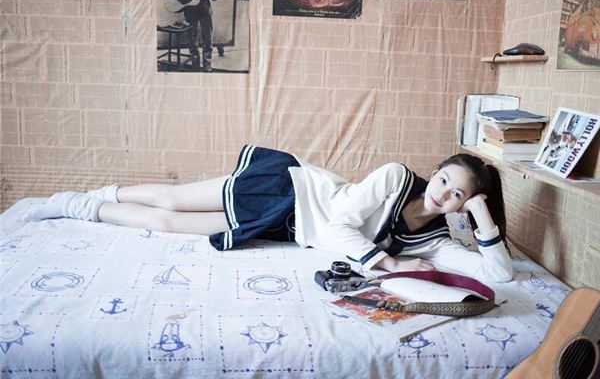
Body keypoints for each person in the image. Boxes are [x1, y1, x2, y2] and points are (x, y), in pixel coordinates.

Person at [23, 145, 513, 283]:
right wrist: (387, 262)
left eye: (458, 196)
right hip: (289, 190)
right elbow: (338, 226)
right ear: (435, 172)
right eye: (445, 181)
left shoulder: (433, 240)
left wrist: (481, 214)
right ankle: (79, 199)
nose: (444, 195)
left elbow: (500, 274)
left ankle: (85, 208)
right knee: (173, 201)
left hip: (286, 227)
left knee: (169, 225)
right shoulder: (395, 177)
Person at [162, 0, 219, 72]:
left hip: (204, 6)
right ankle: (195, 62)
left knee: (207, 35)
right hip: (190, 7)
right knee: (192, 35)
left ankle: (207, 63)